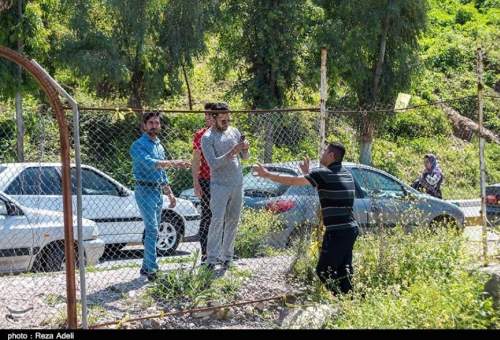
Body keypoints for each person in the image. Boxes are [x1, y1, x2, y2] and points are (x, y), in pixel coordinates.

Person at [253, 142, 359, 295]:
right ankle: (350, 301)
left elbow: (293, 181)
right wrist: (307, 173)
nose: (321, 154)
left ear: (331, 156)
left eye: (324, 151)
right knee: (344, 270)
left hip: (337, 232)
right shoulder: (346, 173)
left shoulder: (323, 174)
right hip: (350, 229)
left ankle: (342, 299)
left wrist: (267, 174)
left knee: (323, 271)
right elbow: (325, 185)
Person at [130, 111, 191, 281]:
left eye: (156, 123)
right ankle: (152, 270)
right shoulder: (138, 145)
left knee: (154, 231)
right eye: (151, 123)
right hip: (143, 190)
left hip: (157, 191)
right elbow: (150, 164)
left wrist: (169, 194)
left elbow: (161, 173)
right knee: (153, 229)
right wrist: (175, 163)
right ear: (144, 125)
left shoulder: (159, 145)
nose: (154, 126)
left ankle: (146, 267)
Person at [201, 102, 250, 270]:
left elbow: (245, 158)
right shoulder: (207, 138)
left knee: (233, 220)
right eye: (223, 120)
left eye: (228, 119)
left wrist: (245, 148)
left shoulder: (234, 131)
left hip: (238, 183)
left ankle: (227, 257)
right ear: (213, 118)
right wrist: (232, 152)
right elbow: (213, 164)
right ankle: (211, 259)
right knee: (217, 221)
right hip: (219, 185)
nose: (227, 122)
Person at [192, 103, 214, 264]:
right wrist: (196, 182)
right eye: (205, 115)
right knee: (207, 215)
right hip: (206, 180)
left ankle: (221, 252)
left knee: (223, 217)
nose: (206, 118)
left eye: (209, 115)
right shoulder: (200, 135)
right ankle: (205, 253)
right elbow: (196, 159)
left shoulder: (226, 133)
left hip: (223, 181)